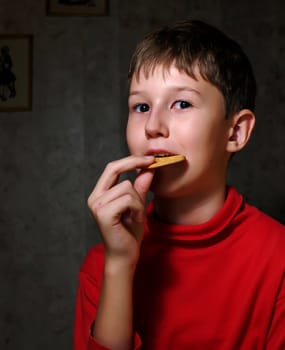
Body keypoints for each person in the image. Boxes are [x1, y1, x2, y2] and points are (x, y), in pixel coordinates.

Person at [73, 19, 285, 350]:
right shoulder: (102, 264)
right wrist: (119, 266)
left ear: (235, 132)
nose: (153, 126)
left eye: (181, 103)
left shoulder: (278, 256)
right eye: (141, 107)